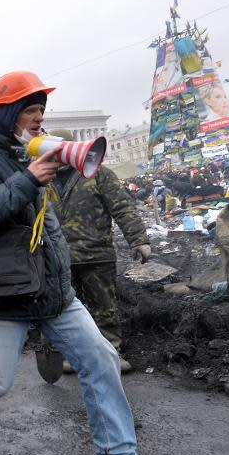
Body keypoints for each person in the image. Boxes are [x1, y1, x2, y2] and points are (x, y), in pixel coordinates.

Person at [0, 70, 186, 455]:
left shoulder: (38, 153)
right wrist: (27, 179)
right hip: (6, 293)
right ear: (6, 115)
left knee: (101, 359)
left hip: (53, 290)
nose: (38, 118)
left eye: (41, 110)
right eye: (29, 110)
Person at [49, 129, 151, 374]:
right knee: (68, 311)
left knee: (104, 307)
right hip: (60, 259)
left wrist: (138, 239)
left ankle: (111, 353)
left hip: (96, 255)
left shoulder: (97, 172)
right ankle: (75, 356)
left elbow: (122, 207)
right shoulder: (43, 180)